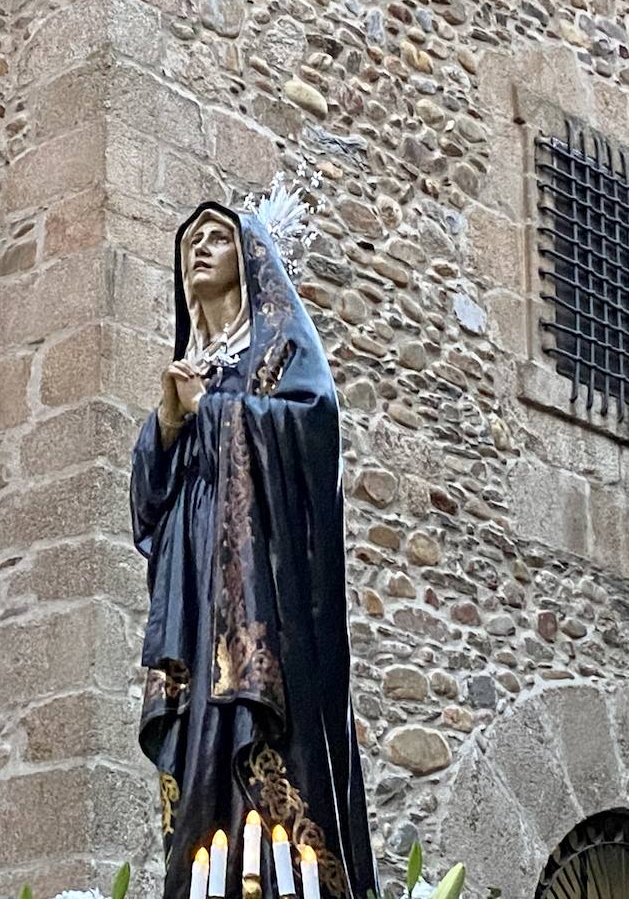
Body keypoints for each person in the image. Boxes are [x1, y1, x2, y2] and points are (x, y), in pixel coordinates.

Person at [131, 198, 380, 899]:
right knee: (198, 739)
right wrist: (168, 422)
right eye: (192, 241)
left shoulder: (279, 351)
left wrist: (212, 411)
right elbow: (148, 507)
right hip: (193, 592)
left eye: (218, 238)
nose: (201, 248)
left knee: (258, 736)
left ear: (249, 260)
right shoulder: (189, 372)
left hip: (261, 596)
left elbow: (314, 421)